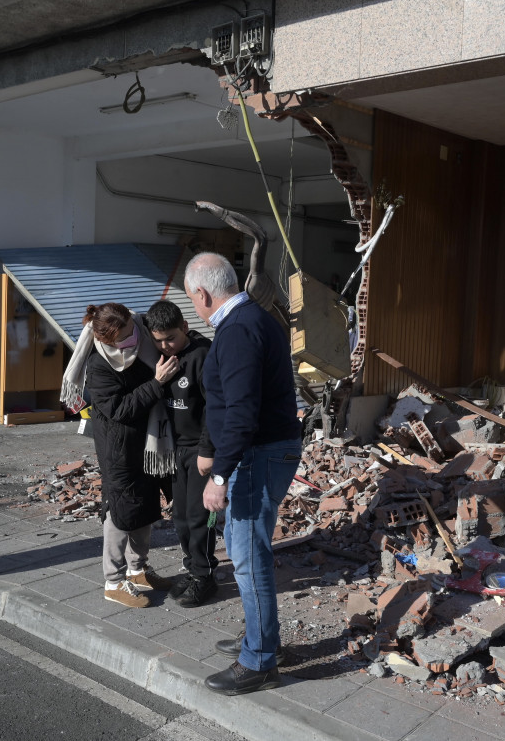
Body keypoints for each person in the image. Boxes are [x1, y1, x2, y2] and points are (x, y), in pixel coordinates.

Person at [185, 251, 302, 696]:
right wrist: (212, 451)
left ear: (203, 292)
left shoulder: (237, 331)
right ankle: (261, 638)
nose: (194, 307)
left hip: (257, 455)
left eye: (193, 299)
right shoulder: (256, 317)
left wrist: (219, 477)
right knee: (247, 551)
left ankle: (259, 661)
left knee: (248, 557)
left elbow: (241, 412)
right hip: (264, 451)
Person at [62, 303, 179, 608]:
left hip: (147, 442)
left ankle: (138, 569)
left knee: (145, 504)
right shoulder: (99, 366)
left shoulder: (140, 331)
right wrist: (156, 384)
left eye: (133, 329)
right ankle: (113, 581)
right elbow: (119, 410)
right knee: (121, 510)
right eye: (125, 337)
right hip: (119, 447)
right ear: (106, 341)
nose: (133, 338)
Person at [144, 299, 219, 608]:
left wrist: (207, 450)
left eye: (171, 338)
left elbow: (215, 408)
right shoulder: (160, 361)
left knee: (200, 517)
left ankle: (206, 576)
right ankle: (192, 570)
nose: (166, 345)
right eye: (159, 340)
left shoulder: (201, 357)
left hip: (198, 450)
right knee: (181, 518)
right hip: (176, 450)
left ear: (185, 328)